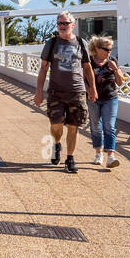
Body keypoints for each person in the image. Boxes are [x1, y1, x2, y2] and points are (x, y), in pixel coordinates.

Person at [33, 12, 97, 173]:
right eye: (59, 23)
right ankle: (56, 144)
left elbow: (88, 68)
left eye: (65, 23)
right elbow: (43, 68)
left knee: (74, 126)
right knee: (56, 125)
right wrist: (38, 91)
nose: (62, 26)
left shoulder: (81, 43)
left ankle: (70, 159)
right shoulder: (52, 43)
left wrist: (92, 89)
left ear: (72, 25)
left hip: (77, 92)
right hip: (56, 91)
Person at [87, 35, 124, 168]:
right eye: (106, 49)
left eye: (110, 49)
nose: (109, 52)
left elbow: (120, 82)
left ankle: (111, 156)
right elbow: (83, 80)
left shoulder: (112, 61)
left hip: (110, 98)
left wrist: (115, 69)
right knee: (96, 127)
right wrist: (90, 91)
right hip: (93, 99)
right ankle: (98, 153)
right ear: (96, 48)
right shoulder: (89, 62)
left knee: (109, 126)